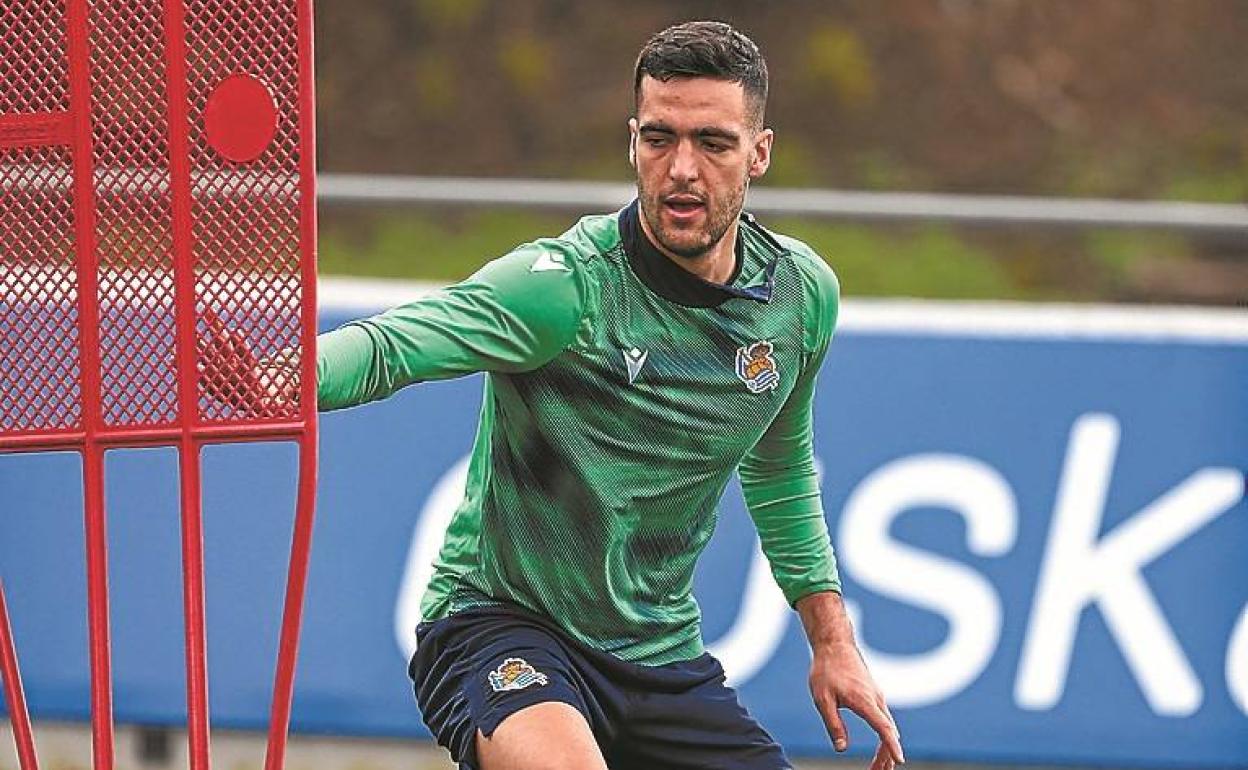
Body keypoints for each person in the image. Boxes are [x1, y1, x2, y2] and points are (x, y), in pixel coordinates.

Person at [204, 20, 903, 770]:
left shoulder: (799, 297)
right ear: (632, 142)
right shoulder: (565, 288)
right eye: (659, 139)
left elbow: (780, 470)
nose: (681, 170)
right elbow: (396, 344)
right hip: (499, 626)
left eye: (713, 143)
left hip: (657, 654)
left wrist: (833, 642)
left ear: (759, 153)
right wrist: (283, 377)